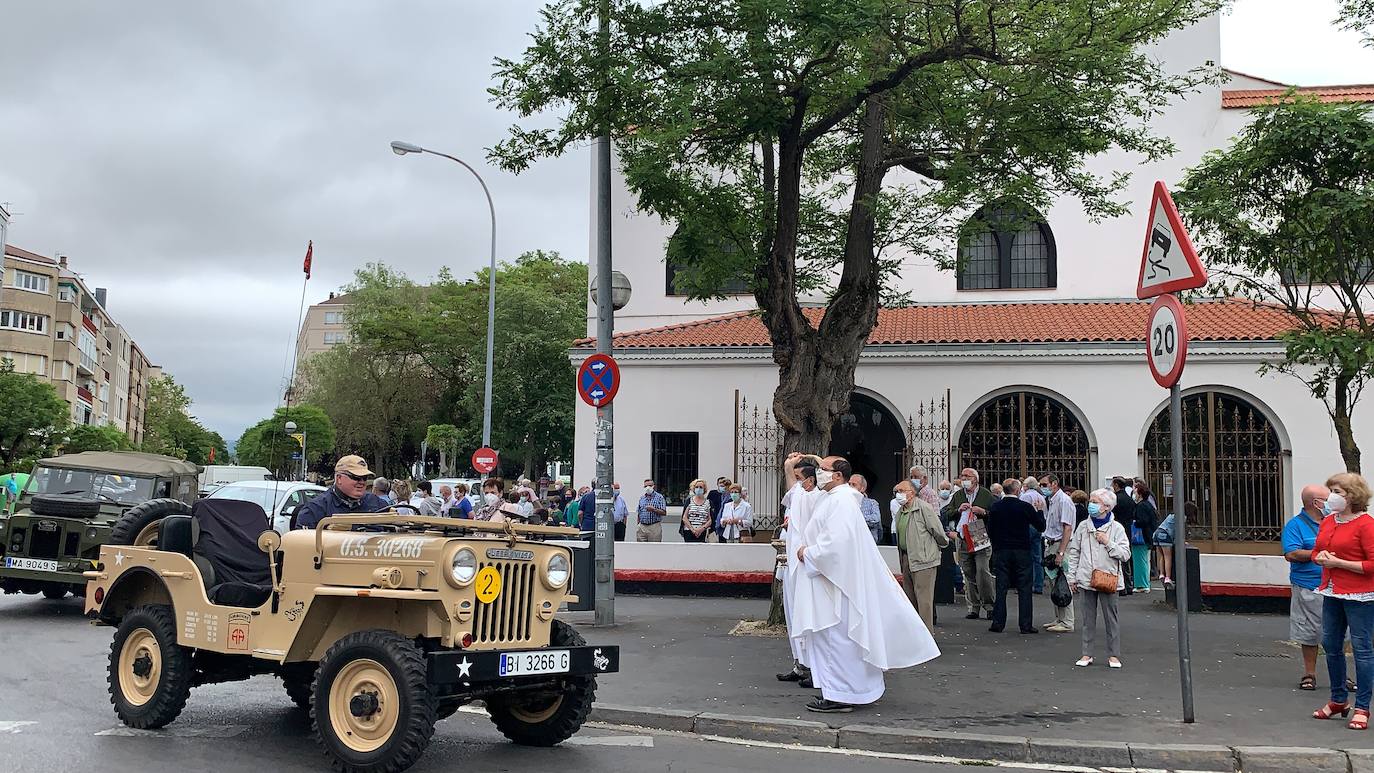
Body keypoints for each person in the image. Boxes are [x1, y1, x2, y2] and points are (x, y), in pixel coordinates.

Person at [791, 455, 941, 712]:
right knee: (841, 640)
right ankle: (851, 690)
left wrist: (808, 553)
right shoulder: (835, 498)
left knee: (837, 640)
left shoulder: (840, 502)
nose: (819, 473)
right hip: (836, 580)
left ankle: (841, 694)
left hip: (837, 585)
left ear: (838, 475)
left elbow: (835, 546)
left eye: (823, 469)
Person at [1311, 472, 1374, 730]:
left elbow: (1372, 564)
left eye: (1337, 491)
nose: (1332, 497)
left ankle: (1362, 707)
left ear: (1351, 496)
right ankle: (1338, 699)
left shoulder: (1366, 525)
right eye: (1331, 491)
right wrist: (1320, 557)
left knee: (1362, 649)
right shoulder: (1328, 521)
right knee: (1330, 644)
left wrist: (1339, 563)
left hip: (1360, 595)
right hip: (1331, 590)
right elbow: (1316, 552)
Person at [1067, 488, 1130, 668]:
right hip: (1086, 577)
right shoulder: (1083, 527)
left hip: (1108, 579)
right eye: (1091, 501)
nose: (1091, 505)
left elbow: (1125, 554)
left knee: (1111, 619)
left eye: (1096, 502)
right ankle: (1087, 653)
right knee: (1087, 618)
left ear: (1107, 507)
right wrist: (1072, 577)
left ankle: (1114, 655)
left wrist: (1108, 542)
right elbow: (1074, 552)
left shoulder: (1117, 528)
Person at [778, 452, 824, 684]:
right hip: (792, 564)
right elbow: (791, 492)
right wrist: (789, 467)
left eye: (800, 478)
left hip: (807, 563)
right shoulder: (800, 495)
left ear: (811, 480)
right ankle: (800, 663)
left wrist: (813, 458)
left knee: (808, 615)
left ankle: (814, 666)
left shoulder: (817, 497)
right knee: (793, 612)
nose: (796, 482)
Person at [1284, 483, 1331, 691]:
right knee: (1309, 632)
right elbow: (1291, 553)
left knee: (1337, 633)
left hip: (1335, 585)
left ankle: (1339, 675)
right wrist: (1316, 555)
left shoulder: (1333, 522)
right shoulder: (1295, 526)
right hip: (1308, 585)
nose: (1331, 503)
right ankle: (1309, 673)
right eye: (1327, 499)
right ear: (1316, 503)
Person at [987, 479, 1046, 634]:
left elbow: (990, 529)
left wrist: (996, 545)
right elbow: (1040, 526)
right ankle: (1025, 624)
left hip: (1002, 549)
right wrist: (1039, 511)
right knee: (1024, 587)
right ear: (1017, 490)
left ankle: (998, 622)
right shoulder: (1024, 507)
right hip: (1021, 549)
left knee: (1001, 587)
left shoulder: (996, 507)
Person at [893, 479, 948, 630]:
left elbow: (938, 532)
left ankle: (927, 637)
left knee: (924, 601)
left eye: (902, 491)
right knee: (910, 599)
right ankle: (915, 635)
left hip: (924, 559)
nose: (899, 494)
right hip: (906, 557)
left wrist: (934, 549)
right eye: (897, 491)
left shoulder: (923, 508)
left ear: (912, 493)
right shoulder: (901, 511)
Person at [945, 468, 996, 620]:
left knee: (982, 571)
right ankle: (973, 606)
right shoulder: (958, 495)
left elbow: (995, 513)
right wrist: (957, 510)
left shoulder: (986, 494)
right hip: (963, 535)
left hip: (979, 533)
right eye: (962, 476)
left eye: (967, 476)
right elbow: (947, 512)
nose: (964, 478)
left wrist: (984, 512)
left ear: (975, 479)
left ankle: (989, 605)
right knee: (968, 572)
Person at [296, 456, 389, 529]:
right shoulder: (315, 509)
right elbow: (302, 545)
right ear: (339, 478)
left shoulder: (378, 504)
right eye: (356, 477)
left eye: (365, 478)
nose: (361, 482)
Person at [1039, 474, 1077, 633]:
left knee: (1063, 582)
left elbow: (1067, 528)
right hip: (1052, 543)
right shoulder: (1052, 500)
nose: (1042, 488)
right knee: (1055, 582)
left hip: (1060, 545)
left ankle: (1067, 621)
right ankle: (1059, 618)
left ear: (1054, 484)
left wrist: (1061, 552)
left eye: (1044, 484)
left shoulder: (1064, 501)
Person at [1130, 482, 1159, 593]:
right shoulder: (1148, 505)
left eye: (1135, 492)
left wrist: (1134, 523)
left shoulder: (1141, 506)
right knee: (1145, 561)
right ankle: (1144, 583)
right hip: (1147, 536)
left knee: (1140, 561)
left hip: (1140, 537)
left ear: (1140, 493)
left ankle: (1141, 584)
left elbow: (1142, 521)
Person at [1110, 477, 1137, 596]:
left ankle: (1121, 587)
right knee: (1126, 557)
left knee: (1116, 557)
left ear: (1116, 485)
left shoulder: (1116, 499)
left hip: (1116, 530)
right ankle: (1129, 585)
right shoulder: (1129, 499)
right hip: (1128, 528)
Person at [1020, 475, 1047, 594]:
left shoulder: (1025, 496)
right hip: (1038, 526)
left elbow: (1022, 512)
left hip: (1028, 526)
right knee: (1037, 557)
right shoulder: (1041, 497)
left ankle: (1027, 583)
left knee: (1026, 556)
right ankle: (1038, 585)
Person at [850, 474, 883, 543]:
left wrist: (856, 518)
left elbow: (876, 519)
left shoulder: (872, 503)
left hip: (867, 543)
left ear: (863, 488)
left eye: (854, 484)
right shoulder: (844, 503)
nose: (850, 487)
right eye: (849, 484)